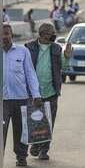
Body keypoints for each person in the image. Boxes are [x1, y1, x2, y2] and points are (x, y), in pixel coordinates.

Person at [24, 23, 72, 160]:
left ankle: (44, 150)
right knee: (35, 120)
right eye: (49, 33)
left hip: (51, 91)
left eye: (53, 32)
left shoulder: (56, 48)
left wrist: (67, 57)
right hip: (33, 92)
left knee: (49, 121)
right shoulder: (29, 47)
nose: (52, 35)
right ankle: (35, 144)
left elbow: (63, 66)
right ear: (42, 34)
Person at [2, 24, 42, 167]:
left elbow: (30, 74)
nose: (3, 37)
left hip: (21, 98)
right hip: (1, 101)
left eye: (6, 33)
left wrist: (36, 94)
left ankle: (21, 156)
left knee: (21, 130)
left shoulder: (22, 51)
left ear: (11, 35)